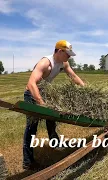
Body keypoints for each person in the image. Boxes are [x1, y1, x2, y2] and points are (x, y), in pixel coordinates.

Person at [23, 40, 85, 170]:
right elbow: (31, 84)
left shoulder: (64, 63)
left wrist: (86, 88)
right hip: (32, 94)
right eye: (67, 54)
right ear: (59, 51)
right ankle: (28, 162)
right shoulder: (45, 63)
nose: (69, 57)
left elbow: (73, 76)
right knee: (31, 127)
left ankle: (55, 143)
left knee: (52, 119)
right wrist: (41, 103)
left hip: (44, 93)